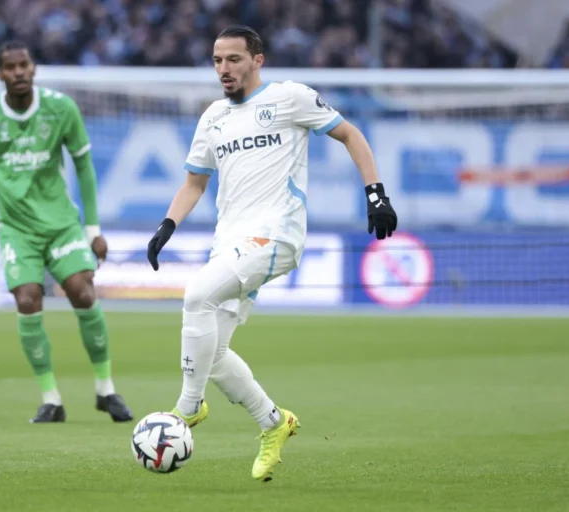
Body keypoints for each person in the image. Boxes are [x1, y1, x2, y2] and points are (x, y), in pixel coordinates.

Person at [146, 25, 398, 481]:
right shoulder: (213, 118)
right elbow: (194, 182)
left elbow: (352, 136)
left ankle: (187, 408)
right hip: (230, 242)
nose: (224, 69)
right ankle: (273, 422)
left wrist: (375, 193)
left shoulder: (289, 97)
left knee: (196, 296)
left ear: (257, 61)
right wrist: (167, 226)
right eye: (218, 60)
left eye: (234, 59)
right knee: (215, 352)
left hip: (276, 235)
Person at [0, 40, 133, 424]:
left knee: (83, 290)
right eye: (11, 67)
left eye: (25, 65)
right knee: (26, 299)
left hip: (61, 224)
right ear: (0, 74)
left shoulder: (60, 109)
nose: (20, 72)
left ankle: (106, 389)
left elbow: (84, 167)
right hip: (15, 228)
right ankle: (51, 399)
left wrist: (93, 229)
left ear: (34, 68)